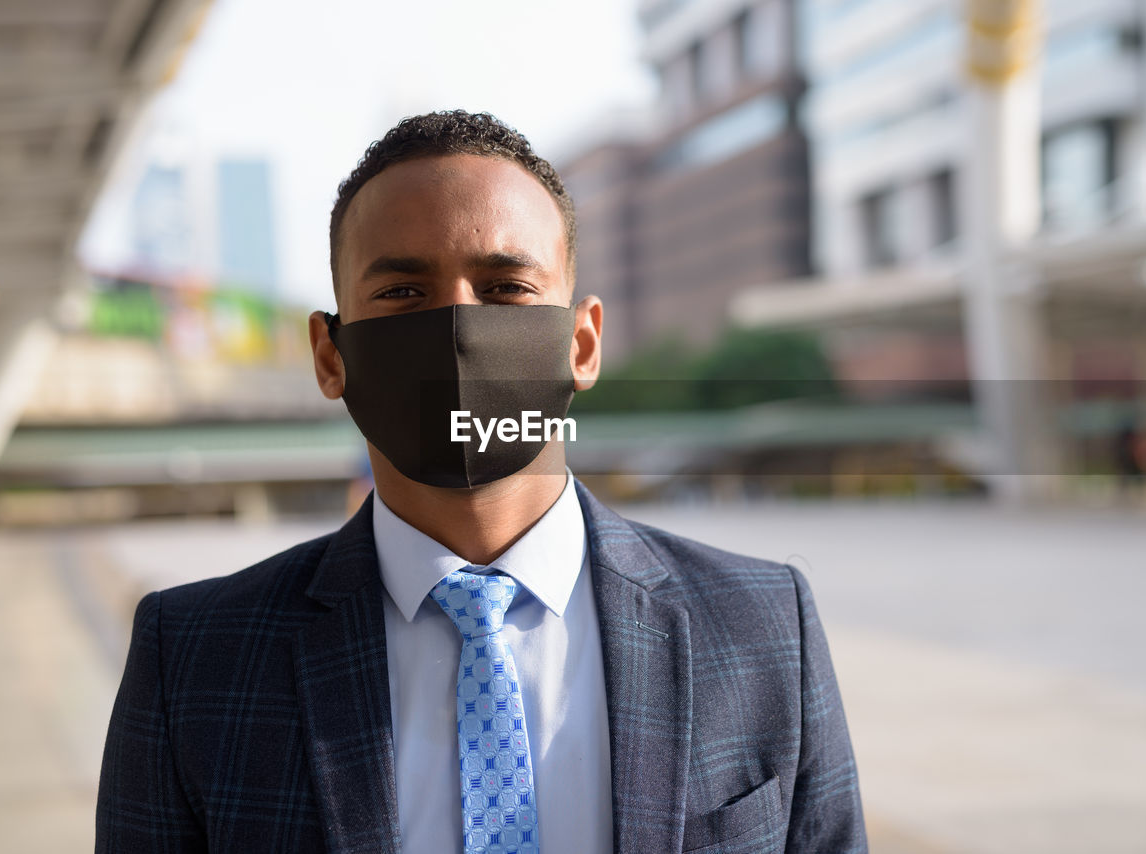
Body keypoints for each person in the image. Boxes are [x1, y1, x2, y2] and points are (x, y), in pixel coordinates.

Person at [96, 110, 866, 853]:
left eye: (506, 289)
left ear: (583, 343)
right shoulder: (194, 660)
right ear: (330, 356)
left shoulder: (763, 628)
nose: (459, 330)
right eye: (403, 293)